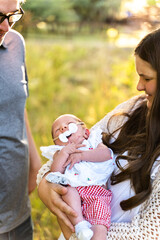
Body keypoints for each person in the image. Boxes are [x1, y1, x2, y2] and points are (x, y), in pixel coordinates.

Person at [37, 28, 160, 240]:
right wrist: (47, 187)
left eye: (146, 78)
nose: (139, 86)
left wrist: (77, 232)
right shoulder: (133, 109)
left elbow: (146, 234)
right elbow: (65, 156)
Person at [0, 0, 41, 239]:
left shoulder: (15, 43)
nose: (6, 27)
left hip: (17, 211)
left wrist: (35, 163)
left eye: (12, 15)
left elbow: (17, 104)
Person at [39, 114, 114, 240]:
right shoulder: (60, 153)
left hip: (97, 192)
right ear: (57, 142)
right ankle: (80, 226)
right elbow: (55, 173)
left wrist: (82, 156)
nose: (63, 128)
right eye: (58, 130)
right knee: (68, 192)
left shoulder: (93, 142)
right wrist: (64, 152)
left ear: (85, 132)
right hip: (74, 193)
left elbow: (106, 154)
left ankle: (98, 236)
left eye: (69, 124)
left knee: (100, 222)